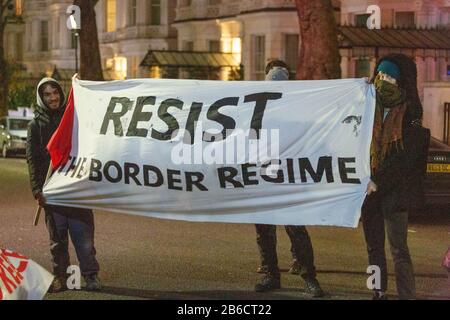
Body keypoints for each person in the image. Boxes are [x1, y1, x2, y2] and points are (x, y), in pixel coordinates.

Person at [254, 60, 324, 297]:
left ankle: (307, 276)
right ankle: (272, 274)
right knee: (266, 230)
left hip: (287, 178)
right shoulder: (258, 108)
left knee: (295, 229)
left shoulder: (296, 111)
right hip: (264, 176)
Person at [26, 77, 101, 292]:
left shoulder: (73, 119)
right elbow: (32, 160)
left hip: (77, 189)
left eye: (56, 93)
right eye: (47, 94)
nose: (53, 98)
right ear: (41, 98)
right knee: (57, 241)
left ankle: (91, 275)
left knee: (84, 237)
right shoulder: (35, 126)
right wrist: (37, 190)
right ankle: (61, 277)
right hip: (52, 192)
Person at [362, 54, 426, 300]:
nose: (382, 80)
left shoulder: (410, 111)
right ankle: (378, 291)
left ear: (400, 81)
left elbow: (405, 158)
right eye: (379, 74)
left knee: (399, 248)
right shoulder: (368, 105)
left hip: (393, 191)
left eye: (388, 76)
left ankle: (406, 295)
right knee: (373, 247)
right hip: (369, 190)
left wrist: (377, 181)